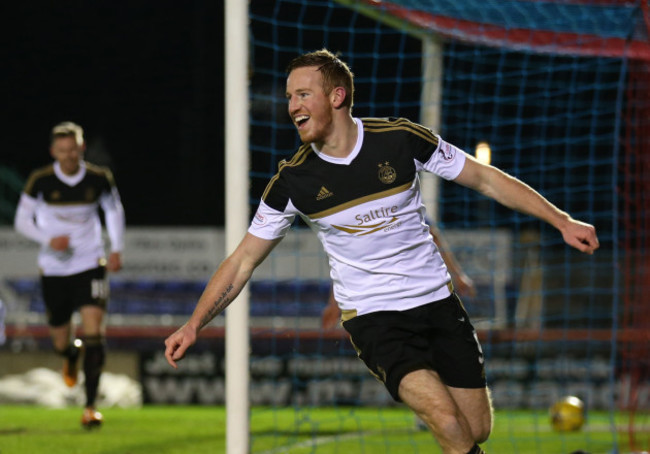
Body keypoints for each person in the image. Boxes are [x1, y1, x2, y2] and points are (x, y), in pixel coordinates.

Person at [164, 49, 599, 454]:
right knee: (447, 421)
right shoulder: (292, 182)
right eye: (289, 97)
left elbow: (484, 178)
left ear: (337, 96)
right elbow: (242, 260)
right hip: (375, 319)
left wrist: (561, 220)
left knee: (474, 428)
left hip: (438, 304)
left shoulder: (400, 140)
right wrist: (193, 324)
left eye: (302, 94)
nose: (292, 106)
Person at [14, 121, 125, 429]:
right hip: (54, 268)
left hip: (90, 262)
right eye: (62, 150)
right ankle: (69, 354)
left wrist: (116, 248)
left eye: (73, 149)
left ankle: (90, 407)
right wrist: (48, 239)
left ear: (81, 148)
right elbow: (22, 221)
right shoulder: (41, 180)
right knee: (60, 339)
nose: (68, 155)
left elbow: (114, 211)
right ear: (54, 151)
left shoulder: (99, 178)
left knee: (94, 332)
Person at [322, 220, 476, 330]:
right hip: (402, 297)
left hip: (394, 298)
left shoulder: (390, 203)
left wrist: (334, 304)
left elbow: (432, 234)